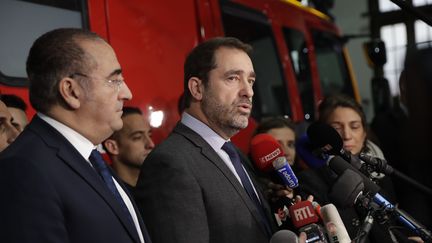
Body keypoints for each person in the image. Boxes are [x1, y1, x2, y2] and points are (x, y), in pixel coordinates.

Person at [0, 28, 151, 243]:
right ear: (71, 92)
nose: (127, 93)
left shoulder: (90, 158)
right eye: (114, 80)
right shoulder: (23, 169)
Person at [134, 37, 276, 243]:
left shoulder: (234, 154)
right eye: (233, 78)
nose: (248, 92)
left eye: (251, 80)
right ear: (197, 89)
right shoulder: (170, 164)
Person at [297, 94, 397, 243]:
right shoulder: (310, 181)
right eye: (336, 128)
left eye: (355, 126)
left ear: (364, 133)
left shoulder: (382, 173)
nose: (347, 135)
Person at [103, 106, 155, 191]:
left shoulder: (161, 185)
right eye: (137, 137)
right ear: (112, 147)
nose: (151, 144)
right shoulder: (106, 193)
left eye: (150, 135)